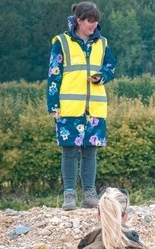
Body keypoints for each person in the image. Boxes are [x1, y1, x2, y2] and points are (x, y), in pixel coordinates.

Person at [47, 2, 116, 211]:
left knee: (90, 152)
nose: (94, 25)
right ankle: (69, 195)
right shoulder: (61, 42)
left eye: (96, 21)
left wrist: (102, 77)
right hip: (69, 108)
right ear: (79, 20)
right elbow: (53, 74)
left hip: (94, 108)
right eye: (90, 21)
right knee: (69, 151)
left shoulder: (102, 43)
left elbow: (111, 67)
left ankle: (89, 194)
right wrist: (53, 105)